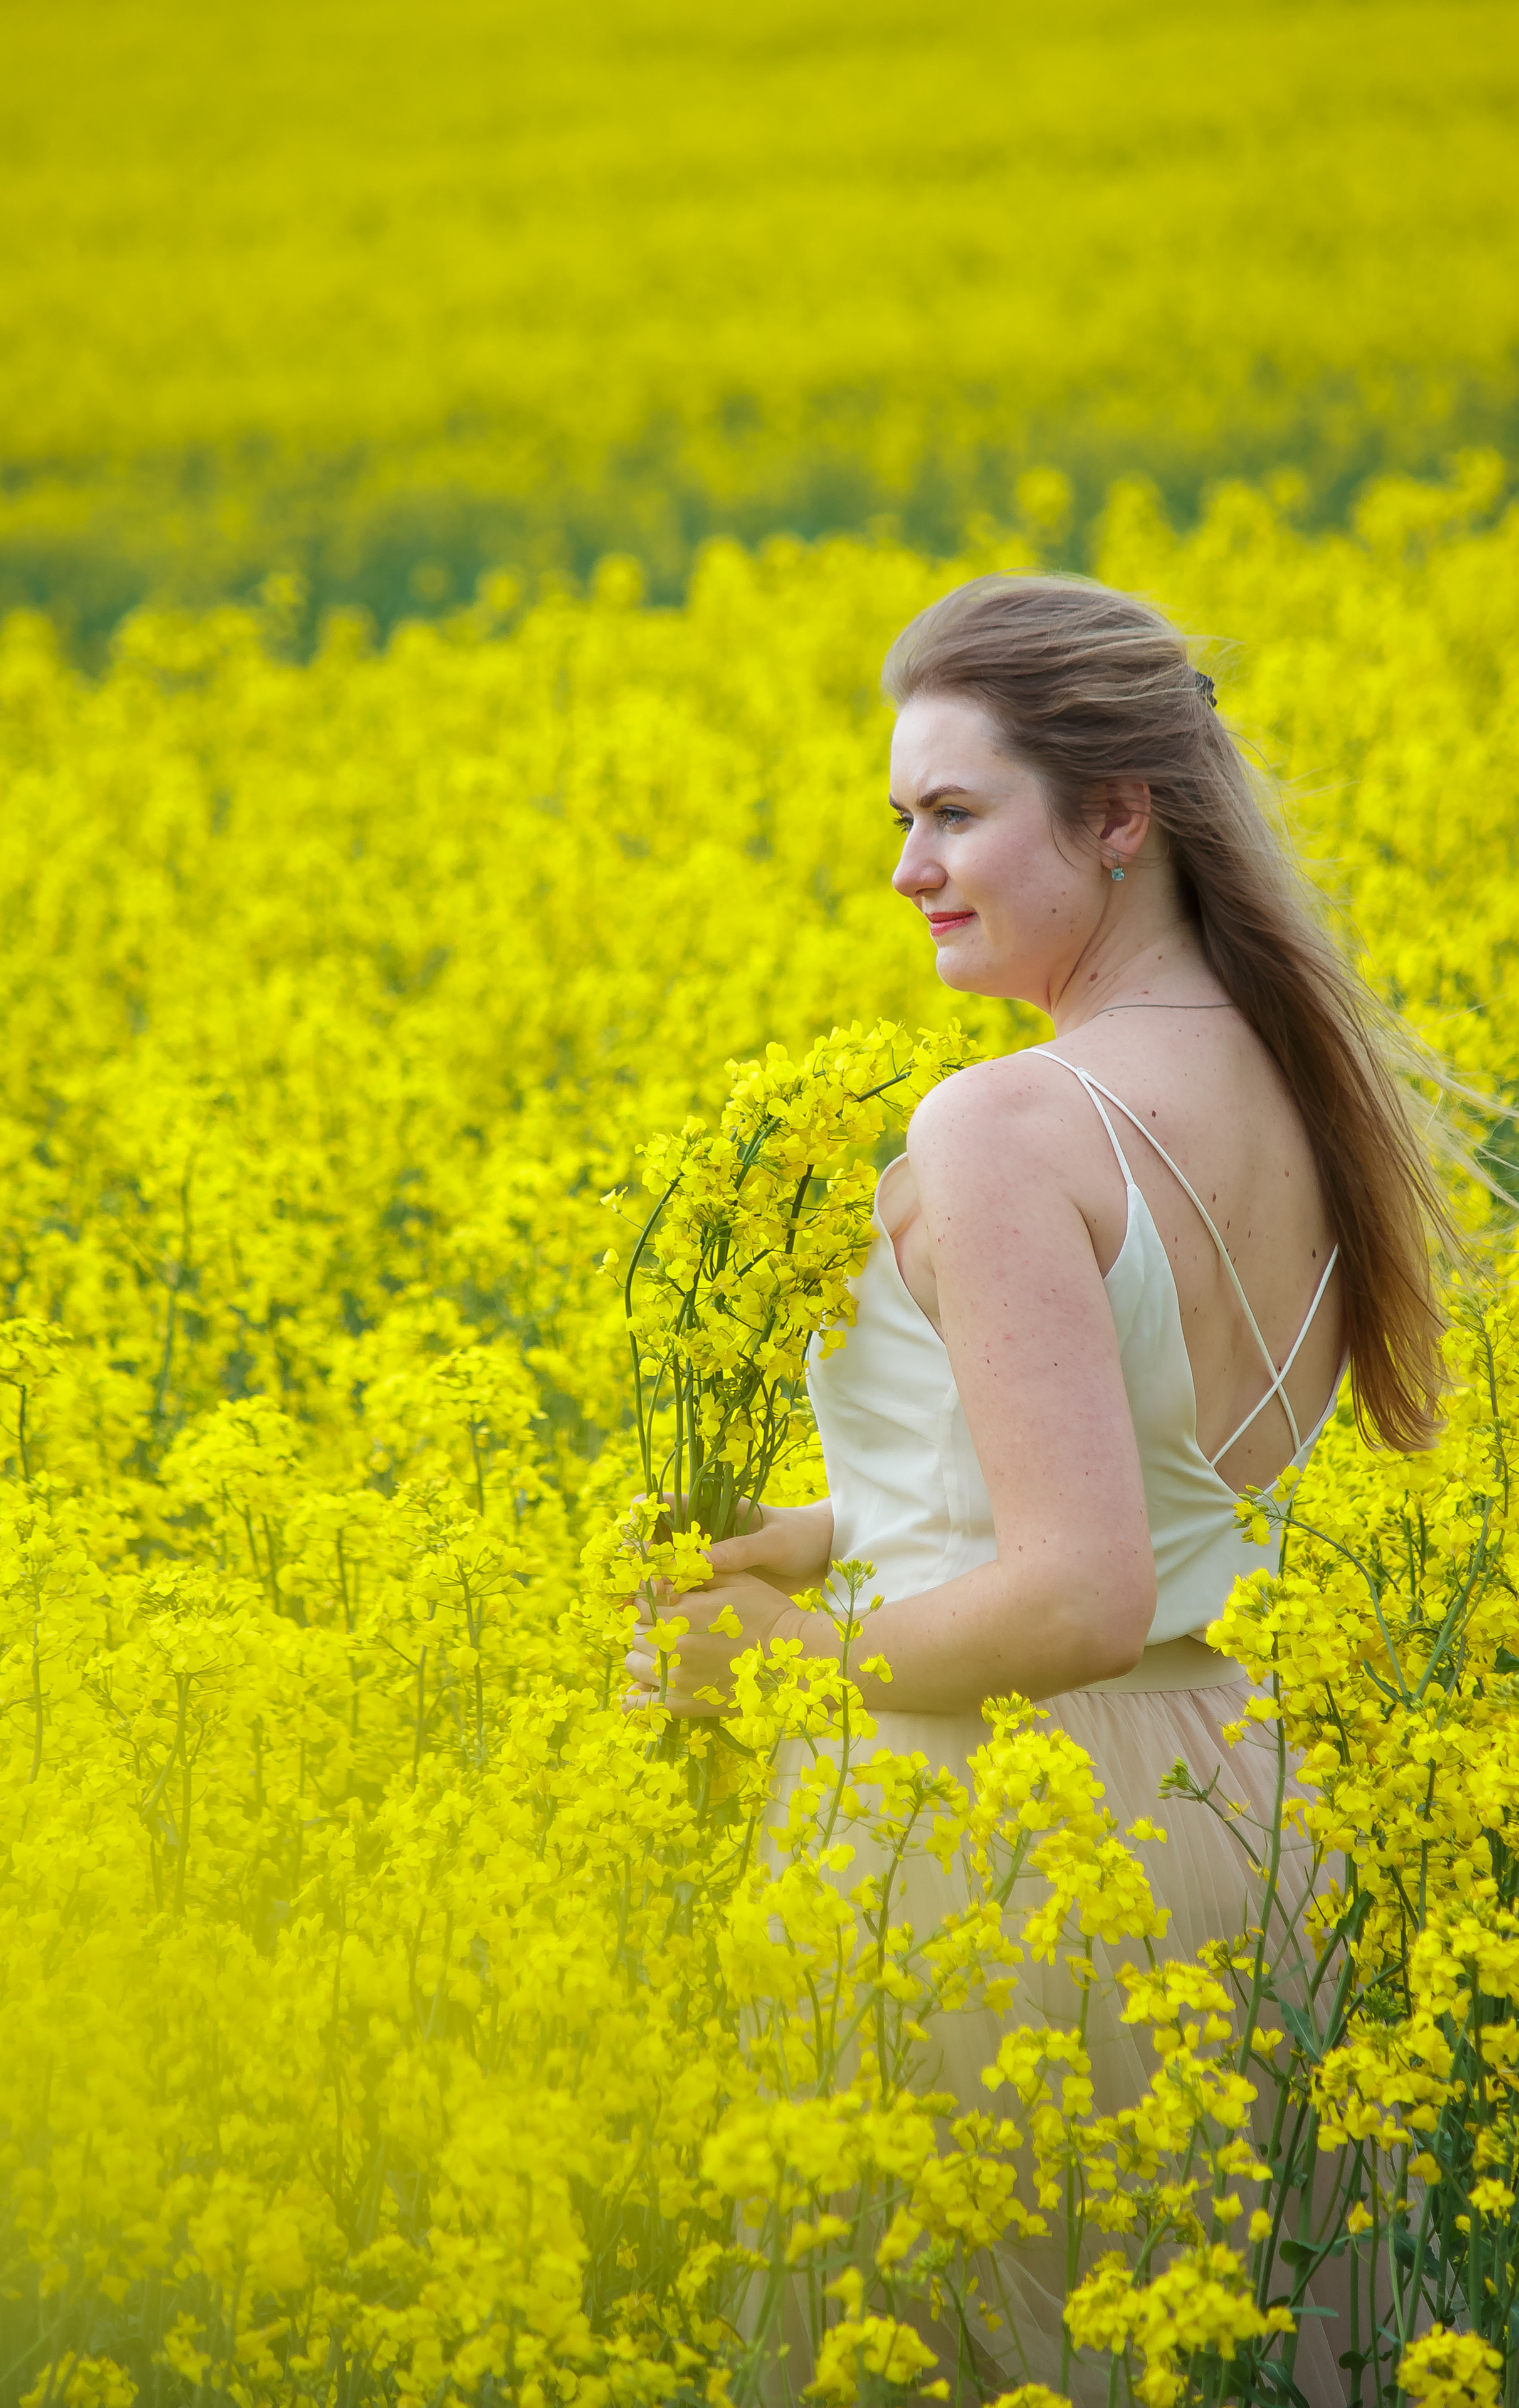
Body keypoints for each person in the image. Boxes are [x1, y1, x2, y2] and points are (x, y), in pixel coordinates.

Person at [624, 575, 1451, 2403]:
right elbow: (1144, 1481)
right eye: (900, 820)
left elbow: (1074, 1597)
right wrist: (841, 1528)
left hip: (987, 1840)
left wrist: (774, 1663)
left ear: (1120, 815)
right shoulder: (1294, 1077)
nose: (908, 866)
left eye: (953, 813)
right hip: (1238, 1813)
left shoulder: (1005, 1122)